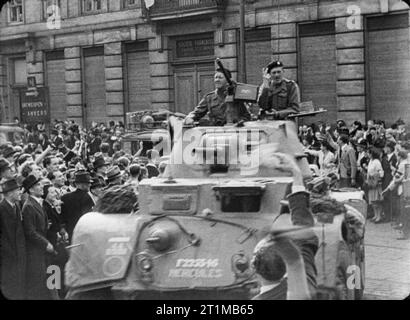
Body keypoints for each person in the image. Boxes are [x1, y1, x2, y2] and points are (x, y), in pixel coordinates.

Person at [251, 150, 318, 300]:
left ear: (254, 269)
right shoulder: (304, 282)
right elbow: (305, 235)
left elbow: (305, 239)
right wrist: (296, 173)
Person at [21, 174, 56, 300]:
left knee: (50, 282)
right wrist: (46, 244)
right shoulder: (29, 206)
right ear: (31, 190)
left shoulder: (37, 204)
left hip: (43, 250)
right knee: (39, 285)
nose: (42, 187)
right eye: (38, 185)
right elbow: (30, 232)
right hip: (36, 252)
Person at [184, 68, 251, 126]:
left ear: (228, 80)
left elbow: (247, 116)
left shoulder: (237, 96)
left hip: (234, 134)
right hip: (215, 134)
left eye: (220, 78)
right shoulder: (209, 97)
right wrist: (190, 117)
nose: (217, 80)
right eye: (216, 77)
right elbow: (197, 112)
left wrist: (240, 123)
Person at [0, 178, 26, 299]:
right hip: (8, 258)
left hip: (19, 257)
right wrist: (9, 254)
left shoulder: (16, 206)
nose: (20, 192)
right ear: (10, 193)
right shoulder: (2, 209)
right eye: (17, 190)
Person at [61, 171, 94, 240]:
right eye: (88, 183)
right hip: (83, 233)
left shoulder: (65, 197)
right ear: (82, 184)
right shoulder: (86, 197)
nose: (90, 185)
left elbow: (62, 217)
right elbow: (88, 218)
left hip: (70, 232)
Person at [366, 147, 384, 223]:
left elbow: (381, 173)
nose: (367, 154)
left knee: (377, 201)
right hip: (370, 183)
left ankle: (379, 216)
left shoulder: (377, 162)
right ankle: (375, 215)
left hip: (375, 183)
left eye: (368, 153)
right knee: (373, 201)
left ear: (372, 154)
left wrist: (374, 175)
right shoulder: (371, 161)